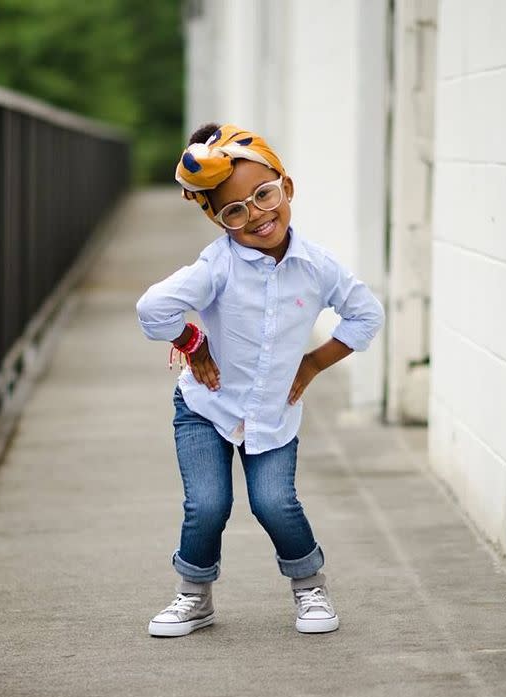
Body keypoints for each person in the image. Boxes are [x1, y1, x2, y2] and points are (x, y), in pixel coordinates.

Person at [136, 123, 384, 638]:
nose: (257, 215)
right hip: (207, 407)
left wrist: (314, 362)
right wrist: (193, 343)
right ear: (218, 220)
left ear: (285, 188)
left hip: (273, 413)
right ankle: (194, 597)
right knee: (208, 505)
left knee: (274, 502)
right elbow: (152, 308)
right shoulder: (217, 266)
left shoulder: (317, 267)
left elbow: (366, 315)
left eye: (264, 195)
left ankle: (309, 587)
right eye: (235, 210)